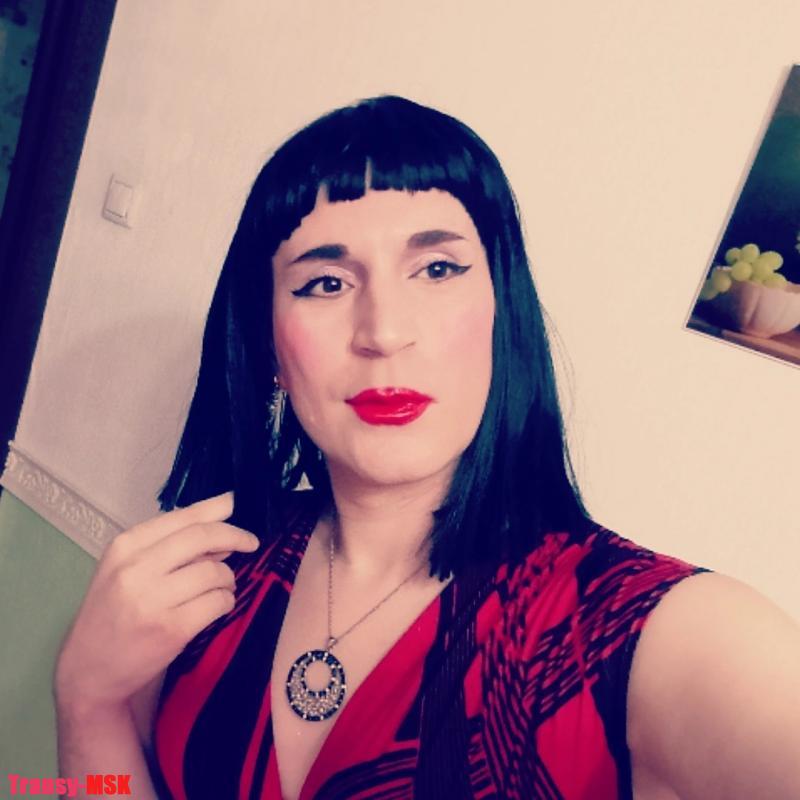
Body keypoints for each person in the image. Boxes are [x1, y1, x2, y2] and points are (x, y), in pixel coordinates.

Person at [54, 96, 800, 800]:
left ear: (502, 308)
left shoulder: (651, 633)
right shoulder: (212, 571)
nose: (383, 331)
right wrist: (88, 700)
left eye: (437, 269)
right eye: (325, 282)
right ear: (269, 344)